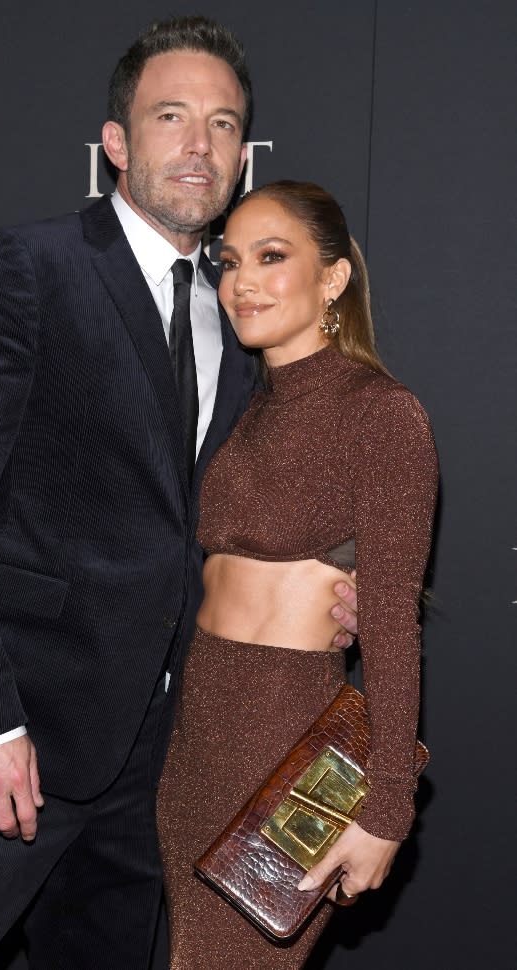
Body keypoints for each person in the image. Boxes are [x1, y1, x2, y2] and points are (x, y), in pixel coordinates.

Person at [0, 19, 359, 970]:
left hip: (160, 753)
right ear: (117, 143)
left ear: (243, 157)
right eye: (171, 117)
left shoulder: (240, 317)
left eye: (224, 124)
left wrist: (321, 589)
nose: (199, 146)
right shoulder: (26, 268)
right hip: (15, 740)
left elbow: (217, 517)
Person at [156, 180, 438, 968]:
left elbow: (387, 625)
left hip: (284, 736)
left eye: (272, 257)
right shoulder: (241, 407)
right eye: (230, 259)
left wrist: (386, 807)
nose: (242, 281)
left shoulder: (383, 415)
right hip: (196, 739)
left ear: (335, 277)